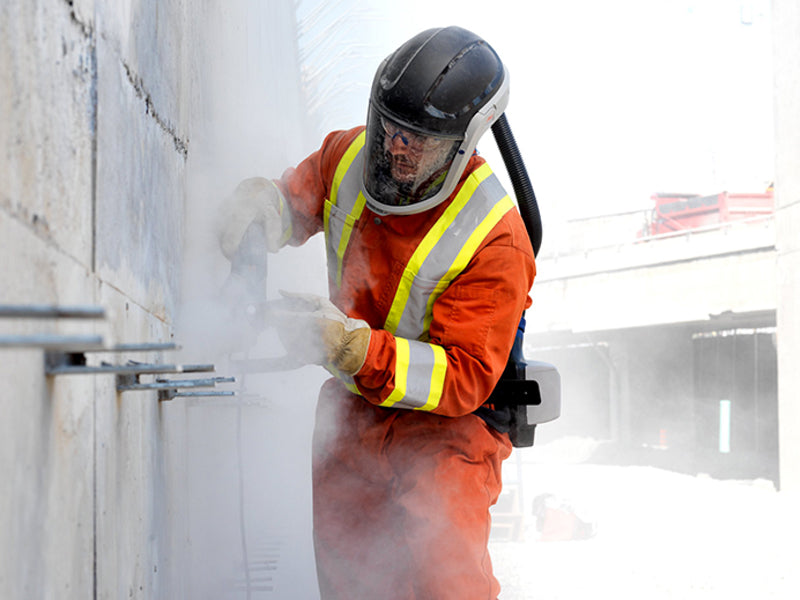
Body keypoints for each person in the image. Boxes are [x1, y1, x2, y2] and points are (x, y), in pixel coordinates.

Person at [219, 26, 536, 600]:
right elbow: (297, 199)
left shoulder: (496, 239)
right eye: (389, 126)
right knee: (350, 577)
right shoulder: (347, 158)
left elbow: (462, 377)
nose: (394, 147)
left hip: (446, 433)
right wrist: (265, 204)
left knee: (445, 582)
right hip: (353, 409)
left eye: (418, 140)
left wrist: (352, 347)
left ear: (462, 146)